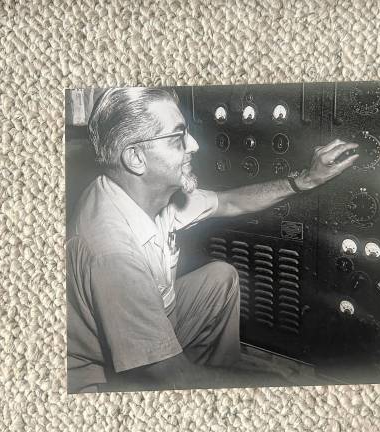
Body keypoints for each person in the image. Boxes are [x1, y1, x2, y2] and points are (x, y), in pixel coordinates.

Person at [66, 87, 359, 393]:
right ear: (136, 157)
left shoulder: (143, 194)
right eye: (178, 138)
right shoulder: (112, 251)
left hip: (160, 312)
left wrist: (307, 180)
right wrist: (273, 387)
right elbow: (168, 376)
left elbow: (227, 202)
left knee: (220, 278)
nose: (193, 145)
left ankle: (219, 371)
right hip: (100, 372)